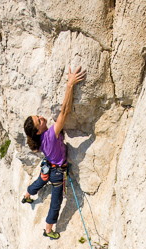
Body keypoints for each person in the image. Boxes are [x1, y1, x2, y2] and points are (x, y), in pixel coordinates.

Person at [23, 66, 86, 239]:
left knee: (39, 181)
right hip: (57, 173)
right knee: (55, 204)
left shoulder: (40, 139)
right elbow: (65, 112)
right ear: (38, 131)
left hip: (48, 166)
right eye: (39, 121)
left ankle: (28, 195)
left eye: (38, 117)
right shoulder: (50, 135)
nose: (42, 118)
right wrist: (70, 85)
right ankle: (48, 230)